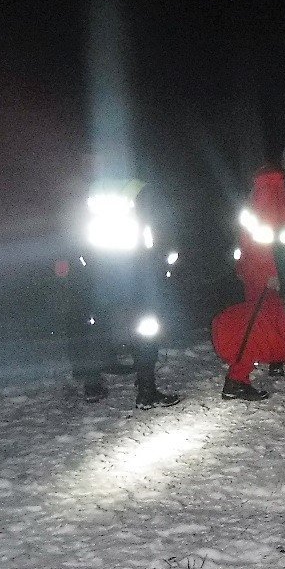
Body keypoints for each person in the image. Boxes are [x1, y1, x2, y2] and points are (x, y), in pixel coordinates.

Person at [56, 164, 180, 409]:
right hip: (137, 273)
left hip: (99, 274)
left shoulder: (89, 196)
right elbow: (160, 230)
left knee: (97, 326)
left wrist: (77, 267)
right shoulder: (140, 190)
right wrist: (167, 263)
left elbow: (73, 235)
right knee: (145, 328)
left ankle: (92, 384)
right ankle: (146, 390)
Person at [224, 144, 285, 400]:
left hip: (273, 266)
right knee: (258, 322)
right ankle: (236, 380)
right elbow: (262, 235)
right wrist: (271, 271)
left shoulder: (282, 187)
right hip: (264, 267)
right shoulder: (271, 187)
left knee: (281, 317)